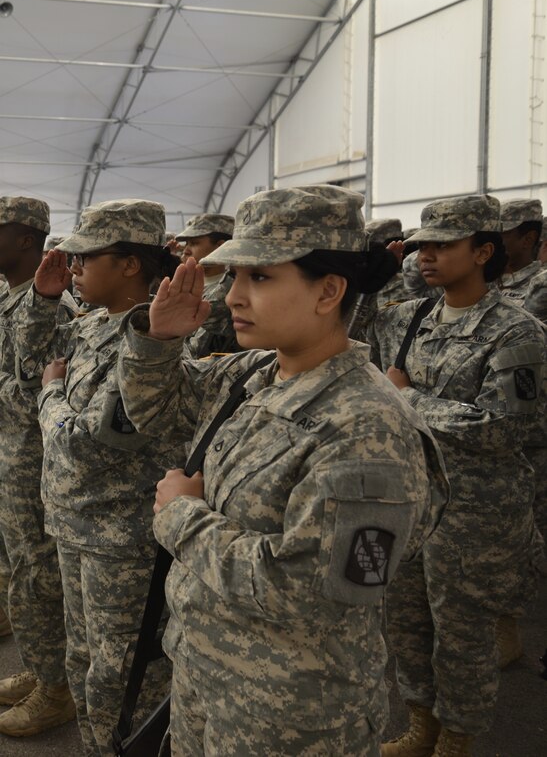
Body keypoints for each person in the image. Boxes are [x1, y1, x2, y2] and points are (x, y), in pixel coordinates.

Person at [116, 184, 449, 756]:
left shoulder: (365, 428)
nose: (231, 298)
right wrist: (160, 339)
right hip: (208, 674)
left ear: (329, 290)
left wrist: (181, 516)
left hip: (289, 715)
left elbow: (309, 592)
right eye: (235, 277)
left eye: (260, 278)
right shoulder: (255, 373)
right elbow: (154, 410)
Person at [360, 195, 546, 756]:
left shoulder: (518, 332)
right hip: (412, 498)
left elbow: (504, 428)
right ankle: (422, 725)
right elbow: (350, 351)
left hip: (475, 510)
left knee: (461, 636)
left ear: (483, 251)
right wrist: (367, 280)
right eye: (422, 246)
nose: (427, 256)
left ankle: (457, 740)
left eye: (444, 245)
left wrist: (406, 397)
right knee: (408, 624)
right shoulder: (411, 319)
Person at [13, 199, 185, 756]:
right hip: (77, 525)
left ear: (131, 263)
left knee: (125, 675)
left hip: (125, 541)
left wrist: (50, 397)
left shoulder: (152, 342)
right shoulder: (91, 327)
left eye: (88, 256)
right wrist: (41, 303)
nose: (74, 266)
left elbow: (89, 444)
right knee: (85, 661)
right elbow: (26, 368)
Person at [0, 196, 77, 737]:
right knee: (24, 573)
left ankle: (57, 688)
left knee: (39, 576)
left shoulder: (52, 307)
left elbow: (39, 395)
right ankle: (42, 665)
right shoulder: (13, 300)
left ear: (26, 239)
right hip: (12, 460)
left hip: (34, 465)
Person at [175, 213, 239, 358]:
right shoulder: (184, 283)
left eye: (195, 243)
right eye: (187, 244)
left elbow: (196, 351)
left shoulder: (230, 292)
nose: (186, 250)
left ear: (220, 247)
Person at [500, 198, 543, 304]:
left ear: (528, 239)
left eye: (502, 235)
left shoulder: (541, 286)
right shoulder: (482, 279)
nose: (492, 242)